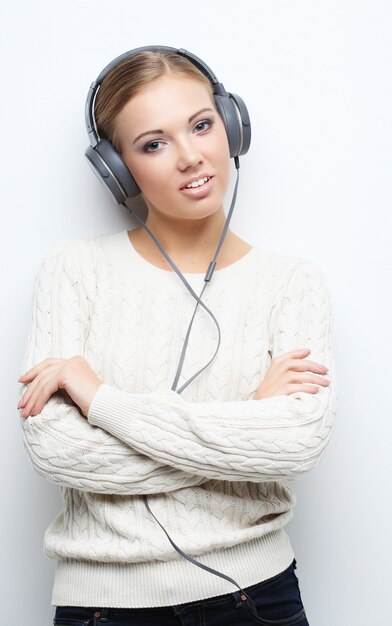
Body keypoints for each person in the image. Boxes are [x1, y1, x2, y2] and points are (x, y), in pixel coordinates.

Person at [17, 46, 337, 626]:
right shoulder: (74, 268)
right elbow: (57, 451)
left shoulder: (293, 282)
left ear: (231, 126)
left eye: (201, 125)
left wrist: (102, 401)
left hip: (257, 599)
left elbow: (297, 445)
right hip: (102, 608)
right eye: (154, 143)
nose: (191, 157)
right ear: (118, 169)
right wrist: (248, 420)